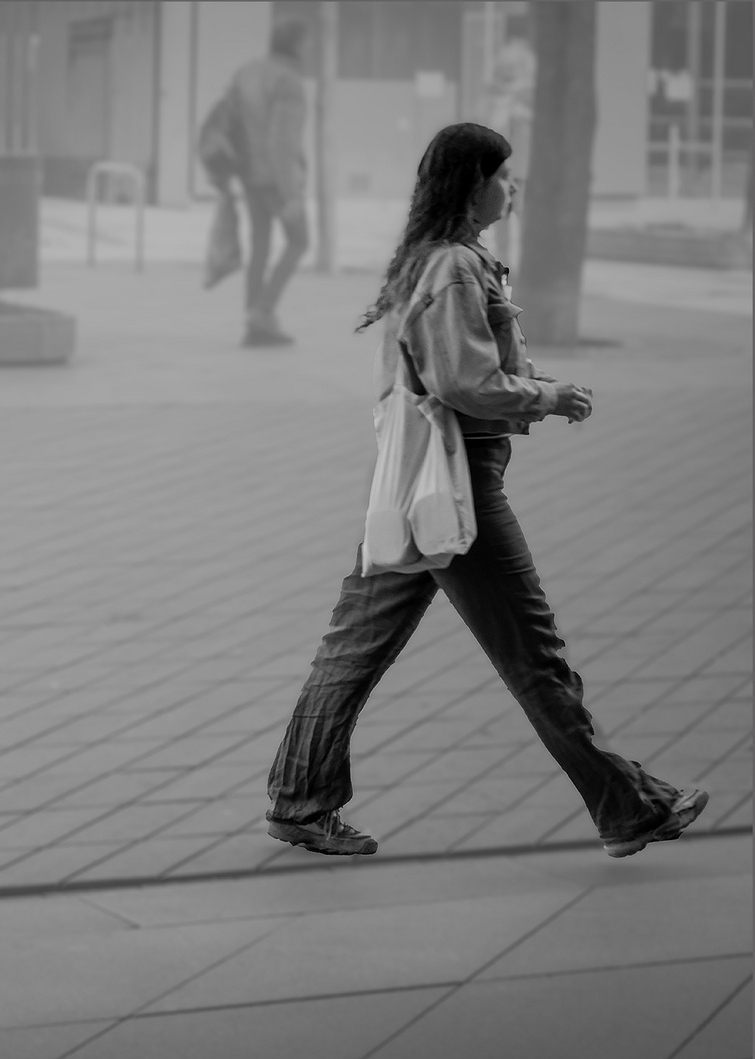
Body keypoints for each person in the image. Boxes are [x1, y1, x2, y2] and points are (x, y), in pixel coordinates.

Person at [263, 122, 710, 860]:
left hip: (420, 482)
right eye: (504, 175)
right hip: (456, 489)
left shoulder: (442, 260)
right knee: (534, 654)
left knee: (355, 645)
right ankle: (629, 807)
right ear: (473, 184)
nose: (513, 187)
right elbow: (461, 381)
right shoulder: (452, 268)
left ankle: (298, 798)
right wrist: (546, 395)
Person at [217, 18, 311, 347]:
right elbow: (282, 142)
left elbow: (228, 123)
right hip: (275, 178)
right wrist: (292, 195)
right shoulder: (288, 81)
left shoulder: (247, 72)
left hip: (248, 174)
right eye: (308, 43)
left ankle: (255, 323)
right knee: (299, 240)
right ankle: (263, 310)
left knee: (260, 244)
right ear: (297, 45)